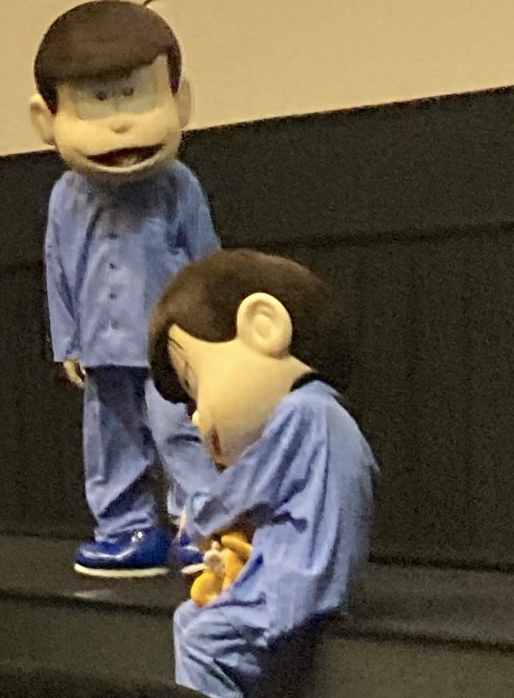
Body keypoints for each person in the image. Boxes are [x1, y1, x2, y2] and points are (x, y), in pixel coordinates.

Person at [30, 0, 221, 576]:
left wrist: (213, 338)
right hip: (101, 347)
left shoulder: (179, 186)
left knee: (179, 431)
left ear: (179, 100)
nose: (119, 123)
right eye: (98, 101)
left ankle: (203, 525)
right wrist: (67, 342)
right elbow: (58, 268)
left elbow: (208, 263)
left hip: (172, 348)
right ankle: (126, 527)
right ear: (45, 119)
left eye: (134, 96)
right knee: (110, 440)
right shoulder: (65, 197)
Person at [148, 249, 379, 698]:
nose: (196, 415)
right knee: (189, 618)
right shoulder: (327, 416)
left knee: (203, 642)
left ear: (264, 326)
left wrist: (198, 514)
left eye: (195, 384)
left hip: (297, 580)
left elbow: (247, 486)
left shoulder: (304, 414)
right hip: (297, 574)